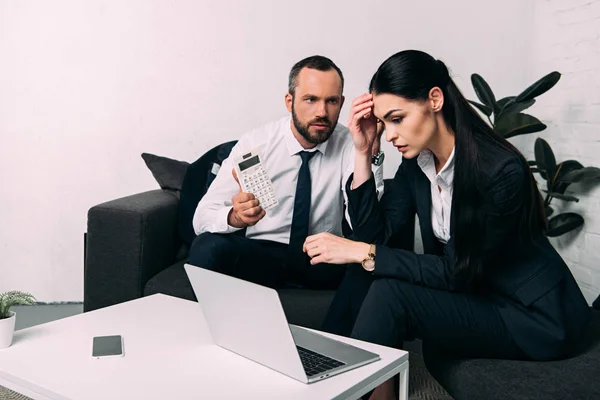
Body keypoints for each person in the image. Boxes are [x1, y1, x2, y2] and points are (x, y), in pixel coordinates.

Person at [302, 50, 591, 399]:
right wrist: (363, 153)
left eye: (397, 118)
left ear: (434, 100)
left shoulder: (500, 171)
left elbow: (458, 270)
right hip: (478, 296)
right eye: (384, 122)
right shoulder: (417, 166)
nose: (390, 134)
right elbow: (376, 237)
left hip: (531, 316)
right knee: (374, 273)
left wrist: (364, 252)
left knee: (388, 288)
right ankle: (326, 380)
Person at [189, 55, 384, 290]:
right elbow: (202, 218)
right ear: (289, 101)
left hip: (322, 258)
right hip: (265, 255)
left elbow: (365, 228)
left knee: (372, 265)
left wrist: (369, 153)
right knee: (207, 247)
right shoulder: (256, 142)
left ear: (341, 104)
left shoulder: (352, 143)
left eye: (331, 101)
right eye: (310, 99)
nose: (322, 112)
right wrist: (235, 218)